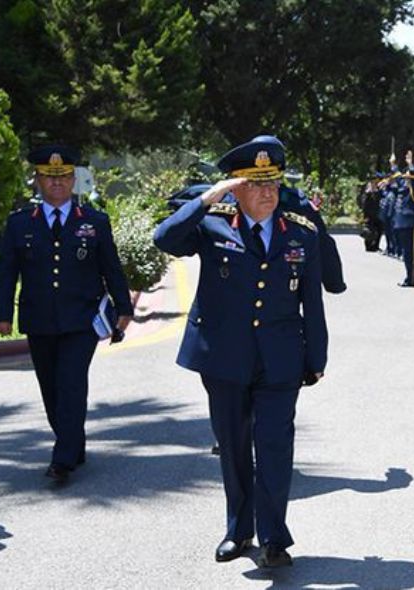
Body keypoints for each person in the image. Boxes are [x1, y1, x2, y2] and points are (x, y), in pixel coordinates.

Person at [153, 136, 328, 567]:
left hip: (281, 359)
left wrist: (316, 358)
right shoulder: (212, 224)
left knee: (274, 446)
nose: (268, 193)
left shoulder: (301, 234)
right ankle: (239, 531)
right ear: (236, 188)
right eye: (255, 184)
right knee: (233, 448)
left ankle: (274, 538)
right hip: (224, 358)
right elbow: (165, 238)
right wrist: (208, 199)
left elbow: (313, 303)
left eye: (273, 183)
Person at [0, 144, 133, 484]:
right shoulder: (19, 223)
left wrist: (124, 308)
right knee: (51, 388)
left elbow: (110, 267)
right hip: (39, 319)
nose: (57, 183)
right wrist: (1, 312)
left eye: (64, 177)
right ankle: (73, 442)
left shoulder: (95, 222)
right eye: (49, 177)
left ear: (74, 180)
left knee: (71, 383)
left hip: (81, 320)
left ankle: (63, 459)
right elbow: (6, 272)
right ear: (37, 181)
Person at [393, 150, 414, 287]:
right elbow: (397, 178)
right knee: (406, 253)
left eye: (408, 175)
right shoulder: (403, 186)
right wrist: (393, 165)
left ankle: (412, 279)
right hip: (401, 222)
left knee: (411, 254)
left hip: (411, 222)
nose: (405, 177)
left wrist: (411, 164)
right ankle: (408, 277)